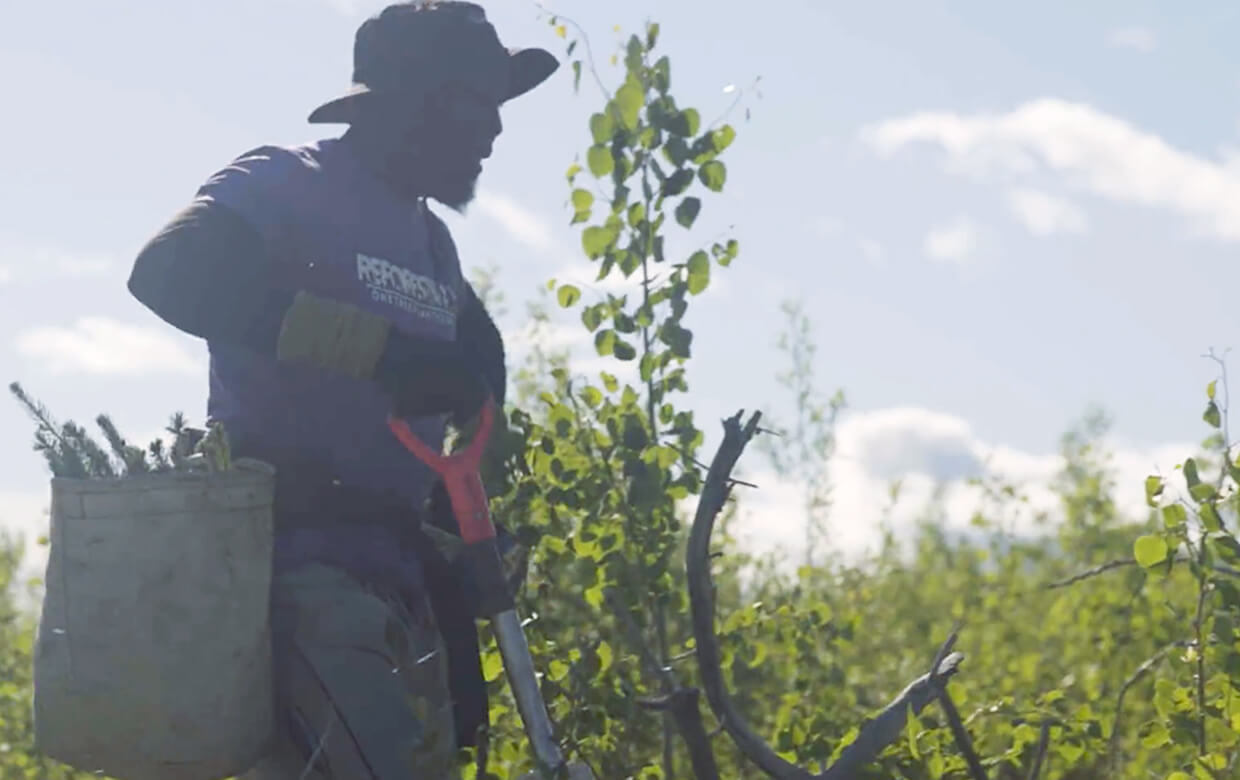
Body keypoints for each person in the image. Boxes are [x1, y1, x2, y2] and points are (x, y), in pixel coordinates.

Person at [125, 2, 558, 777]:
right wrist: (382, 355)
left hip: (400, 585)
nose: (495, 130)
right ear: (414, 100)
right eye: (478, 101)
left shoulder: (429, 239)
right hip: (301, 574)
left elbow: (470, 354)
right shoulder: (287, 182)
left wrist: (456, 485)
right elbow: (170, 273)